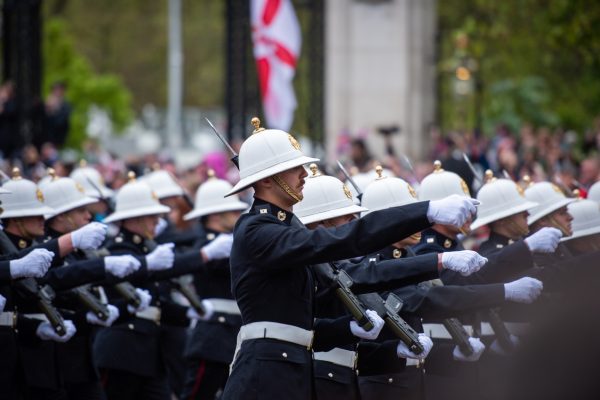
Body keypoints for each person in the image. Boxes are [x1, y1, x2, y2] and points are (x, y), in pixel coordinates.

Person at [221, 118, 479, 400]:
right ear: (268, 179)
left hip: (293, 371)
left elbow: (304, 325)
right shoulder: (256, 230)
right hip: (265, 376)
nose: (303, 173)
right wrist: (426, 212)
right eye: (293, 168)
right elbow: (341, 239)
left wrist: (346, 329)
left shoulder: (283, 231)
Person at [179, 169, 248, 399]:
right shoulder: (208, 245)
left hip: (233, 333)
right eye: (233, 211)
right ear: (216, 215)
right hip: (212, 336)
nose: (239, 215)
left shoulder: (228, 243)